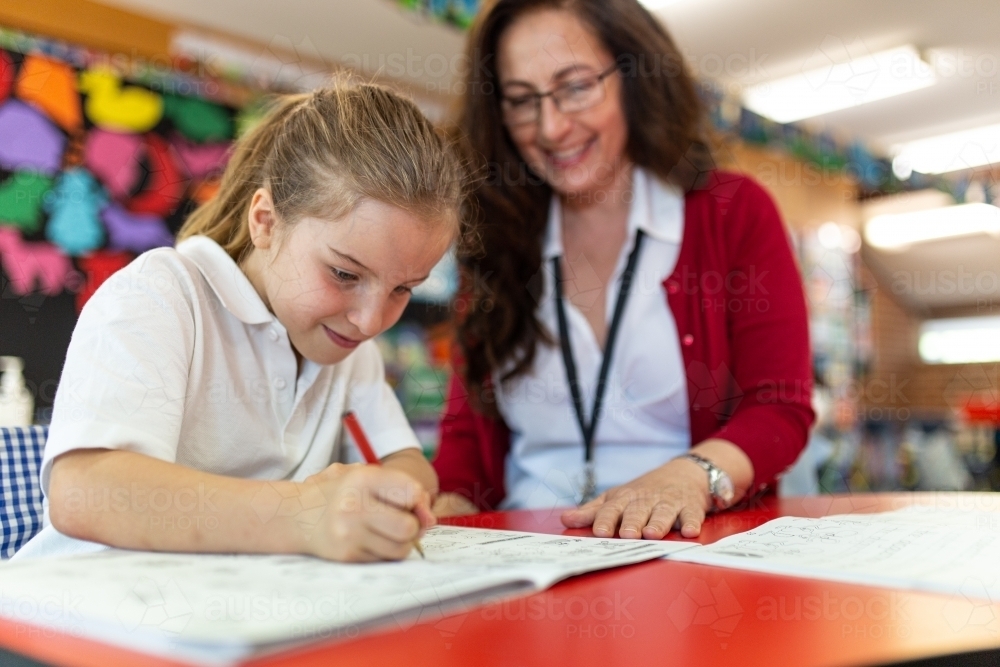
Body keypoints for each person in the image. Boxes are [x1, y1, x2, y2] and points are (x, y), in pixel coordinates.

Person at [15, 79, 468, 562]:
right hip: (77, 618)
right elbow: (84, 492)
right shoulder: (162, 295)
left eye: (402, 288)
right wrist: (305, 512)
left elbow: (407, 464)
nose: (371, 320)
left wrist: (388, 498)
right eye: (343, 273)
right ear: (266, 221)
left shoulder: (349, 350)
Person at [432, 0, 815, 539]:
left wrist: (691, 476)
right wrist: (440, 515)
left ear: (636, 76)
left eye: (576, 87)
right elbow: (466, 440)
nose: (551, 126)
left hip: (685, 545)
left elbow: (779, 408)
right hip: (522, 558)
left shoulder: (733, 214)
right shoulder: (494, 234)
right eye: (520, 101)